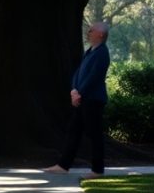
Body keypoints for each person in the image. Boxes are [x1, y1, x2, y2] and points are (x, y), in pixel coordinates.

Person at [45, 22, 112, 179]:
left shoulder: (102, 53)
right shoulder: (90, 51)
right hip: (82, 99)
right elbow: (78, 73)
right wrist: (74, 90)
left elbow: (94, 77)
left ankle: (97, 169)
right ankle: (63, 165)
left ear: (101, 35)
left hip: (93, 100)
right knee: (73, 131)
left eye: (92, 31)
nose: (88, 32)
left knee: (94, 134)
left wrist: (79, 92)